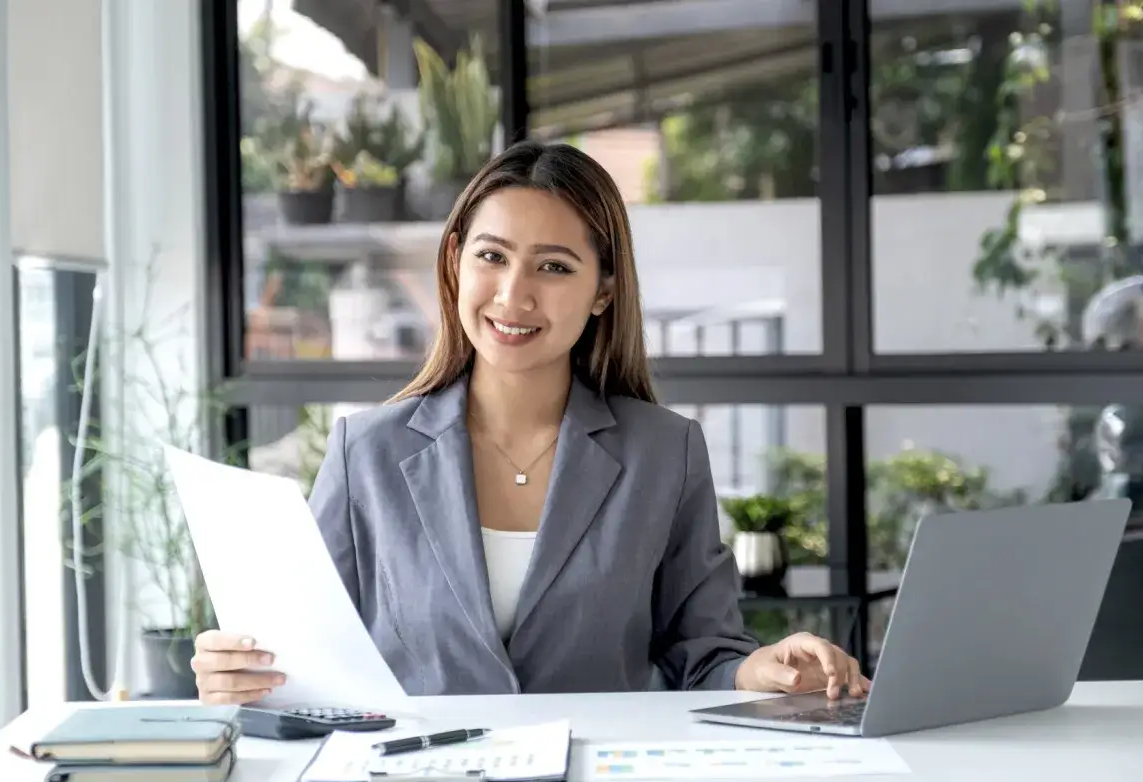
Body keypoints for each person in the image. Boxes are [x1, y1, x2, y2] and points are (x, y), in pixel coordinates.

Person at [191, 141, 869, 704]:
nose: (514, 294)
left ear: (603, 288)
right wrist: (237, 674)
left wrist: (766, 670)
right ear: (456, 260)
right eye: (491, 255)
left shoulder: (666, 452)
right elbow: (307, 663)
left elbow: (705, 652)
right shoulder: (364, 453)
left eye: (553, 266)